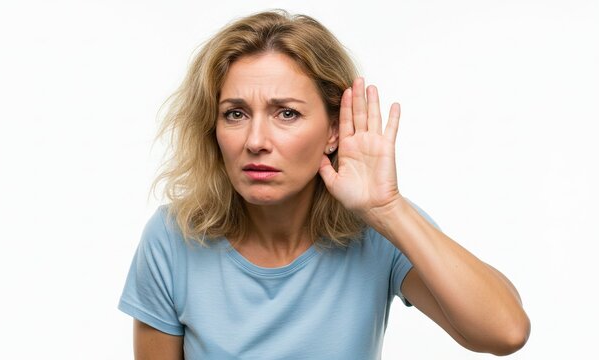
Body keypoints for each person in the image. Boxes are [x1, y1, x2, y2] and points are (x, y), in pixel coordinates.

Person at [118, 10, 530, 359]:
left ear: (334, 130)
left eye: (287, 114)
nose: (256, 141)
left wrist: (388, 210)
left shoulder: (377, 230)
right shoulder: (173, 237)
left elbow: (505, 333)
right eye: (236, 114)